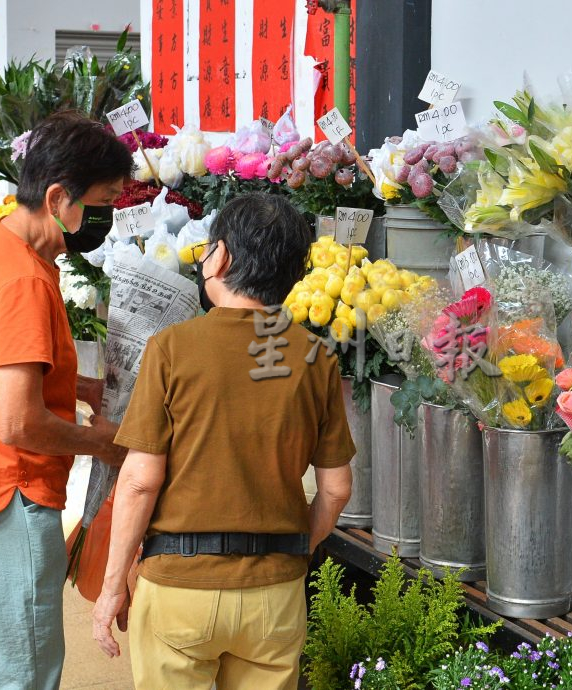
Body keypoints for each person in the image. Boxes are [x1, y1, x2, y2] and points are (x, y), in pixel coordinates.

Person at [92, 193, 355, 690]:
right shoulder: (316, 358)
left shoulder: (171, 349)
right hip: (275, 591)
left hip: (179, 587)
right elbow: (337, 489)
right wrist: (298, 551)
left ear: (224, 257)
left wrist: (111, 589)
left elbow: (139, 483)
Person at [0, 111, 132, 690]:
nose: (105, 216)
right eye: (102, 200)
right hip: (1, 496)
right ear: (59, 196)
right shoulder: (24, 281)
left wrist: (82, 388)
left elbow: (4, 370)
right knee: (21, 671)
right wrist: (100, 444)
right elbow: (15, 421)